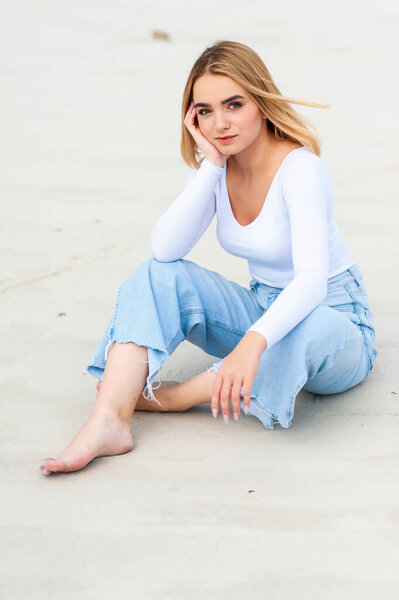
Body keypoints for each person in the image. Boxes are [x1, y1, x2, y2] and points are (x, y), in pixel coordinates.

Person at [40, 40, 377, 475]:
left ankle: (178, 397)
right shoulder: (220, 164)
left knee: (309, 324)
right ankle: (110, 419)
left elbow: (311, 282)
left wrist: (252, 343)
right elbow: (165, 250)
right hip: (264, 307)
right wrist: (212, 166)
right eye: (205, 110)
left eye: (234, 105)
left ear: (259, 100)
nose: (220, 123)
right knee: (156, 275)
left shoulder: (301, 168)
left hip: (334, 321)